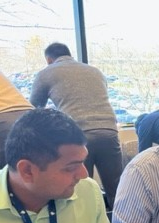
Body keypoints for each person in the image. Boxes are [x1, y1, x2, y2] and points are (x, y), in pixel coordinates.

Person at [30, 42, 123, 209]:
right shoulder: (95, 71)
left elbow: (34, 109)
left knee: (78, 189)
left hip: (77, 135)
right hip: (108, 130)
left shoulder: (46, 73)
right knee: (117, 188)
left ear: (49, 60)